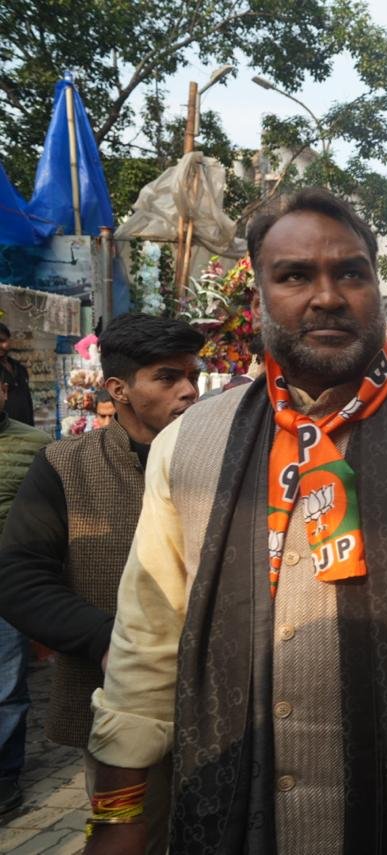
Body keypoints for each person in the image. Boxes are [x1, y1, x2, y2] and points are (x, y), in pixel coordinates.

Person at [82, 189, 387, 855]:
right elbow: (146, 633)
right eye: (294, 276)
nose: (328, 297)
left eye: (351, 273)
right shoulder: (189, 442)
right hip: (227, 810)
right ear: (259, 296)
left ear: (377, 288)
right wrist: (117, 814)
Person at [0, 312, 203, 853]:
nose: (188, 391)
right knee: (132, 837)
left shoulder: (225, 460)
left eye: (193, 375)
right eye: (167, 377)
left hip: (220, 702)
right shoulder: (65, 466)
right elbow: (19, 577)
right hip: (117, 704)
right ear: (119, 389)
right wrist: (109, 640)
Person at [0, 379, 51, 814]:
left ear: (3, 391)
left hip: (9, 585)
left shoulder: (35, 445)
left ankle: (4, 775)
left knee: (7, 687)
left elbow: (48, 518)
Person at [0, 323, 34, 425]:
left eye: (2, 341)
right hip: (5, 430)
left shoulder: (20, 368)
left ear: (9, 340)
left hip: (26, 428)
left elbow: (27, 400)